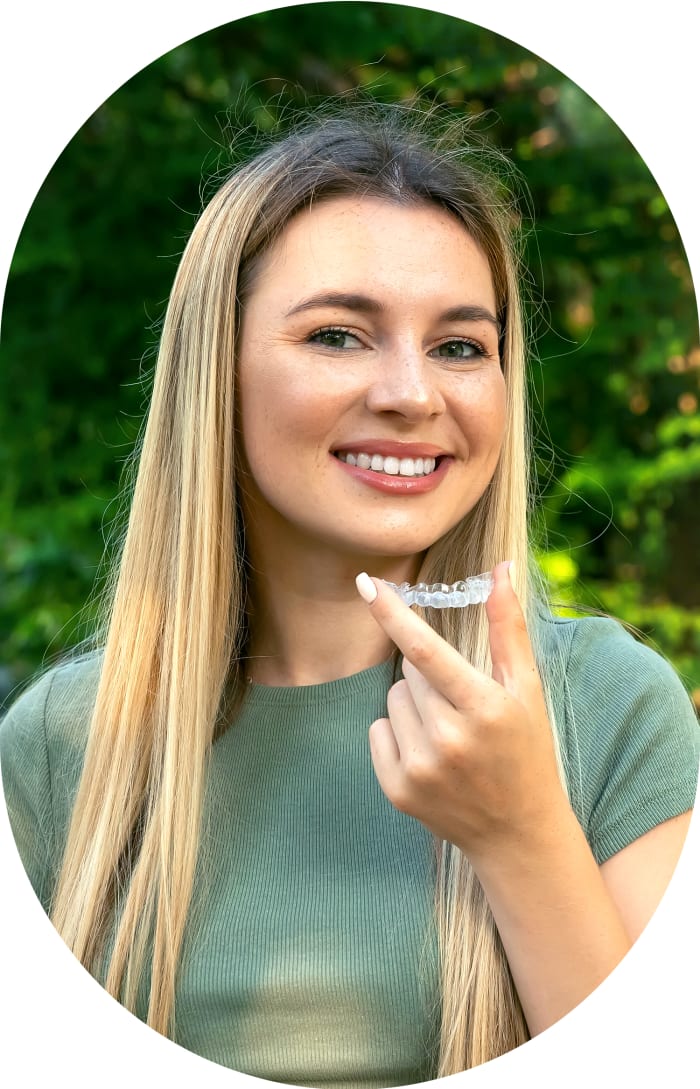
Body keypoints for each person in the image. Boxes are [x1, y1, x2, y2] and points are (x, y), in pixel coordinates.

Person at [1, 103, 698, 1087]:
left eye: (460, 346)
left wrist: (521, 834)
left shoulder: (612, 709)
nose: (413, 393)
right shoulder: (59, 744)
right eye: (337, 336)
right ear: (218, 373)